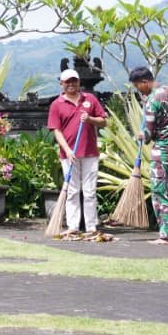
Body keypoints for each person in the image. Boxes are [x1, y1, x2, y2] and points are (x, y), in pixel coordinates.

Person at [130, 66, 168, 245]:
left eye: (137, 86)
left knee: (159, 191)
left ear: (144, 82)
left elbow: (147, 134)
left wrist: (140, 135)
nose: (137, 89)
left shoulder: (151, 101)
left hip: (163, 151)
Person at [47, 68, 108, 237]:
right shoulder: (56, 104)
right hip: (69, 155)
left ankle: (91, 227)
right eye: (67, 81)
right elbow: (56, 131)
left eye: (74, 80)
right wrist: (67, 150)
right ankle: (73, 226)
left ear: (79, 82)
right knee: (72, 191)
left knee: (90, 191)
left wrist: (89, 119)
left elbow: (103, 122)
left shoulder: (90, 99)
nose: (71, 84)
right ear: (61, 83)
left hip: (90, 153)